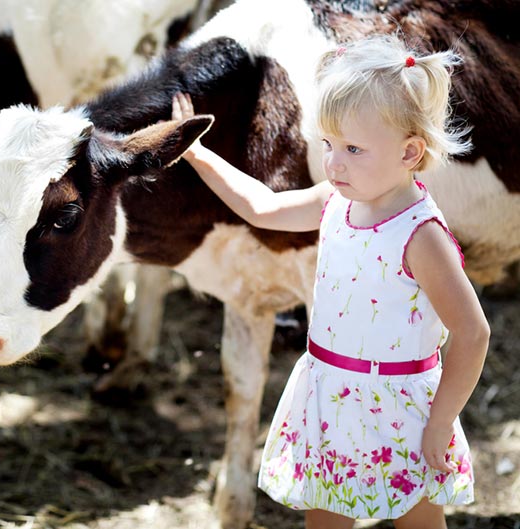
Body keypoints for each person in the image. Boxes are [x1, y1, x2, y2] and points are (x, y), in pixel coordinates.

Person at [171, 34, 490, 529]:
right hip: (333, 396)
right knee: (325, 521)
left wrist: (441, 421)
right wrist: (197, 154)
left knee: (418, 524)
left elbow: (472, 334)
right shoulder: (335, 201)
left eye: (353, 148)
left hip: (402, 408)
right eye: (328, 144)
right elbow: (263, 207)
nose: (333, 162)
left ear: (409, 153)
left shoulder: (420, 236)